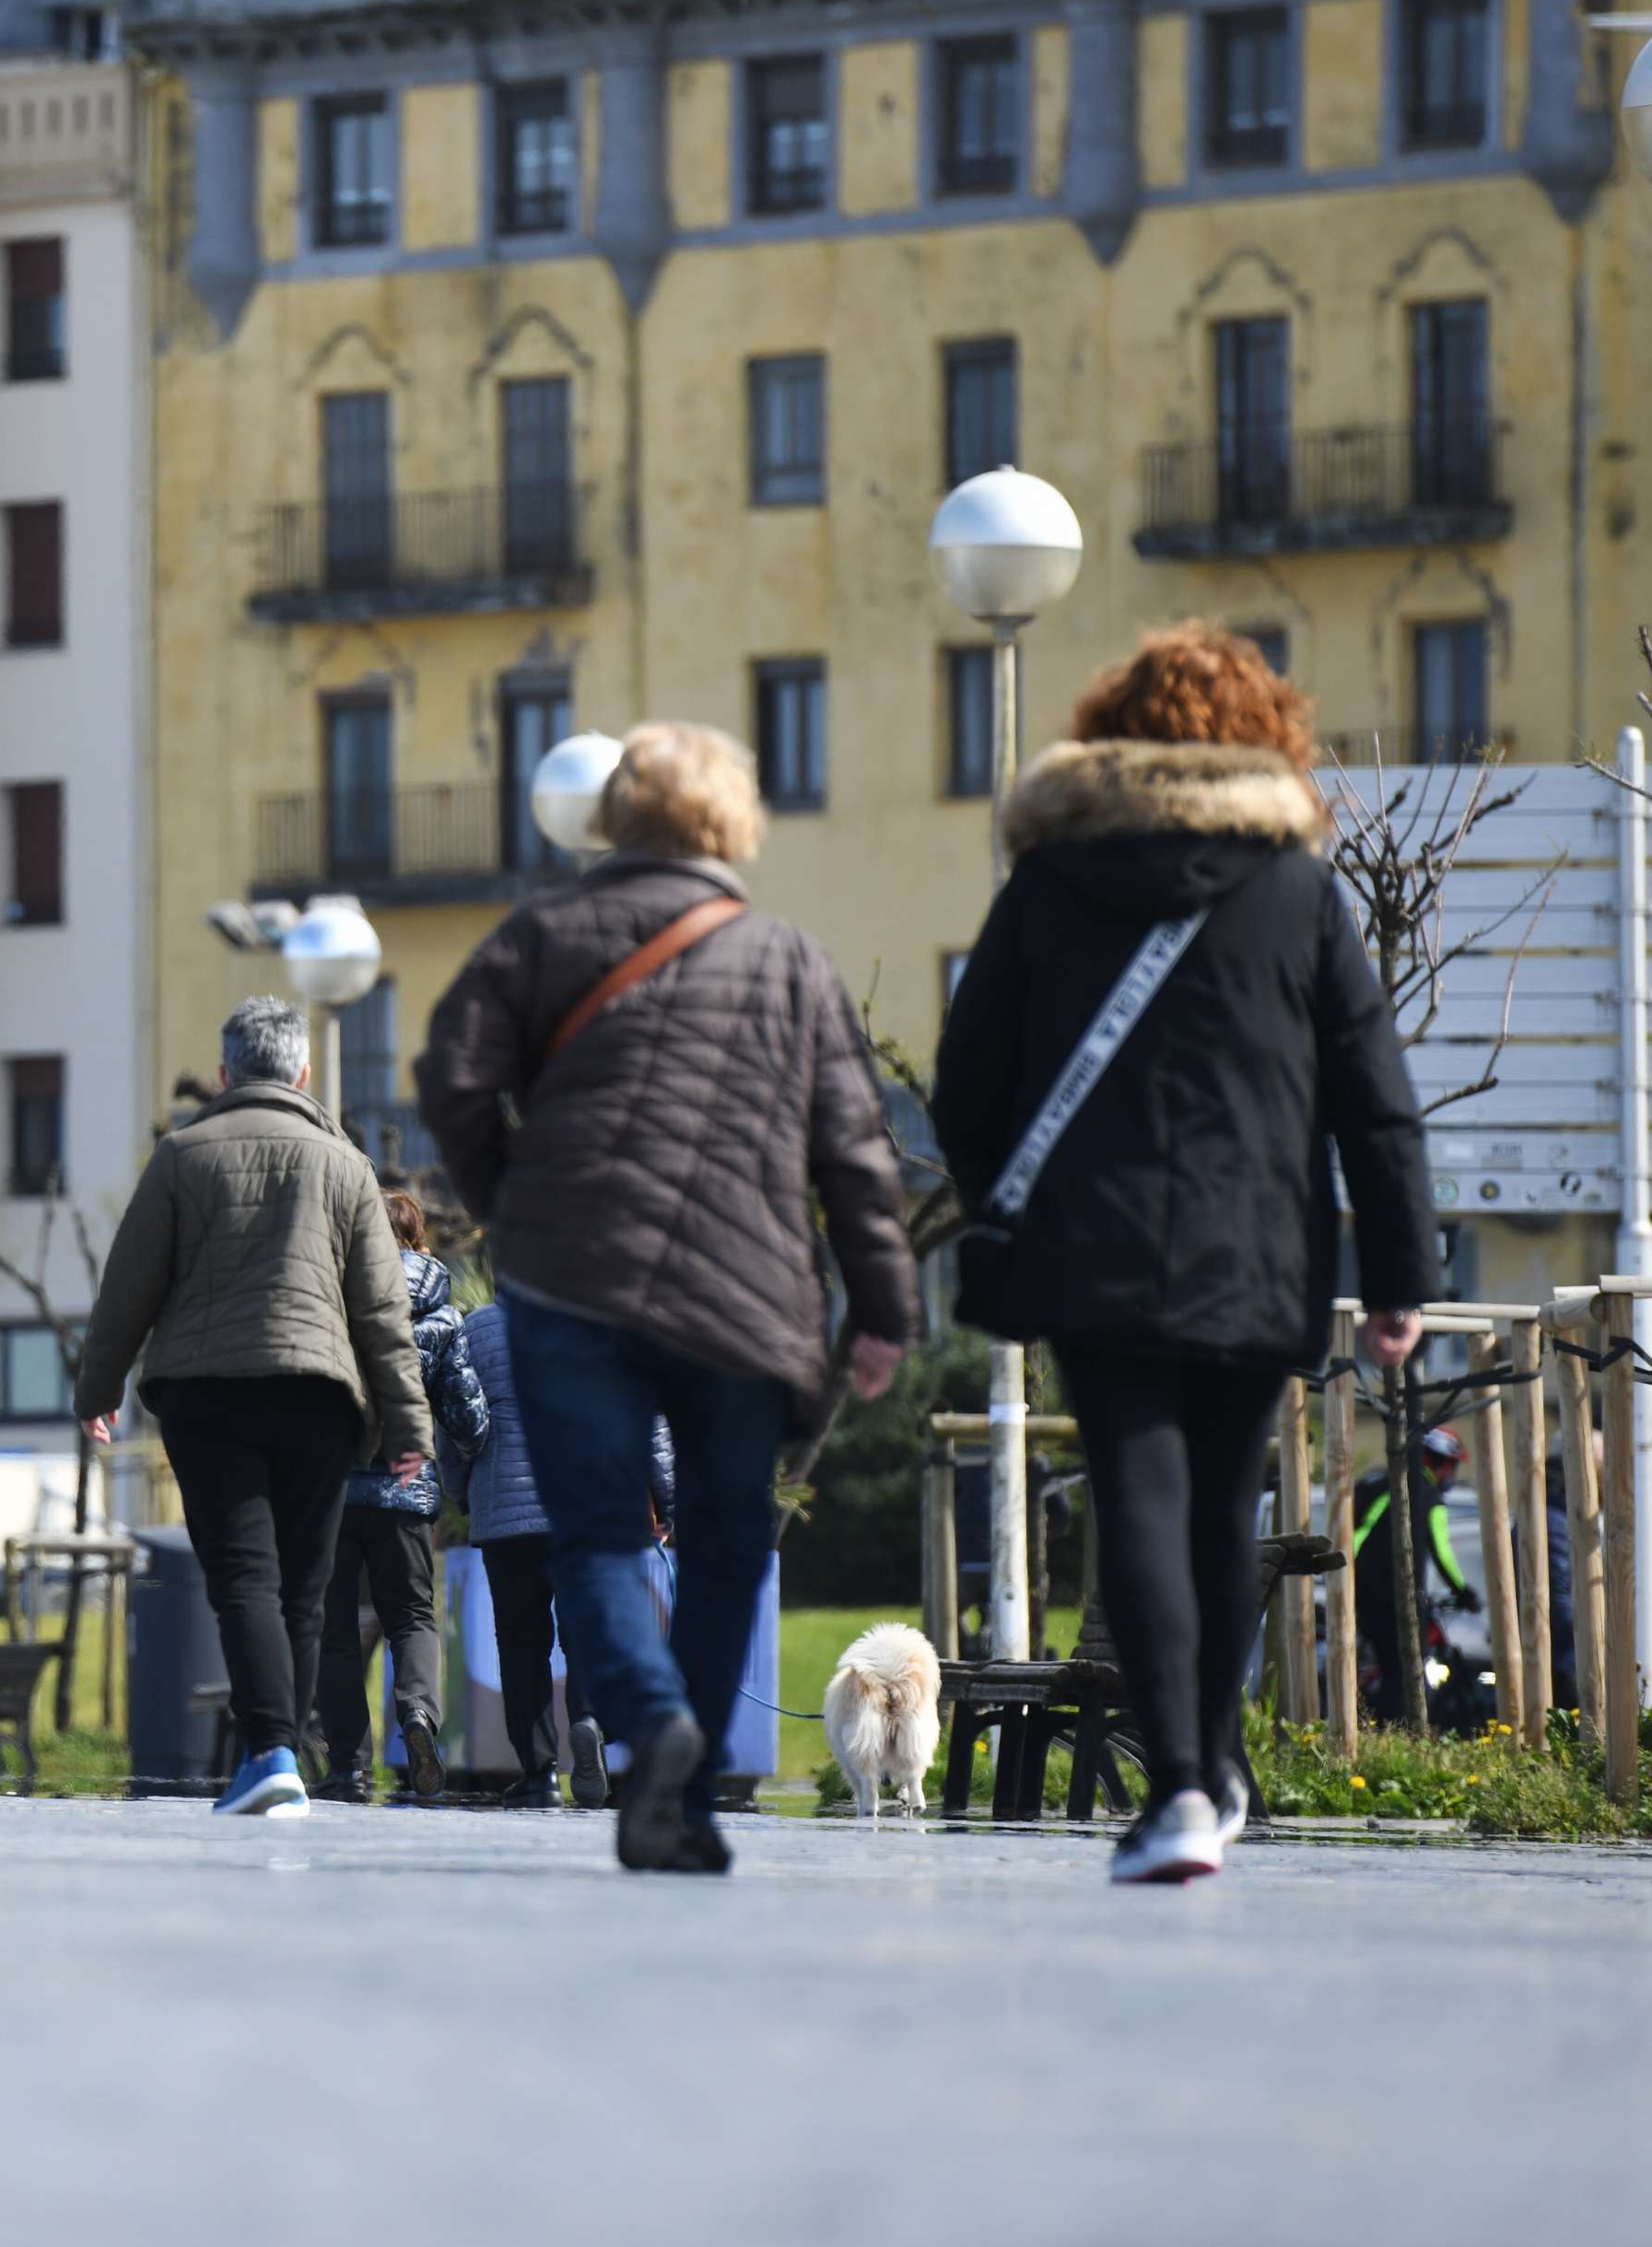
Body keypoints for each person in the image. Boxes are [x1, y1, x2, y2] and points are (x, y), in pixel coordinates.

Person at [935, 626, 1434, 1881]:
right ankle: (1211, 1773)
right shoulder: (1300, 894)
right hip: (1260, 1256)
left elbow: (966, 1080)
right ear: (1264, 735)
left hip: (1097, 1254)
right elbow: (1376, 1095)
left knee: (1140, 1509)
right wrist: (1400, 1283)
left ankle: (1181, 1790)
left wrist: (1011, 1194)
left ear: (1114, 732)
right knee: (1223, 1514)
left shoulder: (1048, 884)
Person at [416, 720, 916, 1873]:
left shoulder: (538, 937)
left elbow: (451, 1077)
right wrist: (881, 1306)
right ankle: (673, 1775)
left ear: (614, 818)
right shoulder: (786, 957)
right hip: (744, 1296)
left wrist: (513, 1208)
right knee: (723, 1534)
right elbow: (855, 1145)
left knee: (593, 1533)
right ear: (734, 823)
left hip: (572, 1287)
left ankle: (656, 1729)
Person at [75, 995, 434, 1820]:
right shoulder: (345, 1165)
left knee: (242, 1577)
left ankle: (271, 1752)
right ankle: (284, 1758)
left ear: (228, 1071)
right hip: (320, 1398)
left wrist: (96, 1392)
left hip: (209, 1396)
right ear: (304, 1073)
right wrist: (409, 1426)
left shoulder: (181, 1155)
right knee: (303, 1591)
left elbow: (128, 1288)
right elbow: (382, 1312)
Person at [310, 1190, 489, 1806]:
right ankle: (417, 1717)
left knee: (334, 1630)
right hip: (407, 1494)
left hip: (334, 1494)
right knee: (412, 1618)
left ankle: (349, 1768)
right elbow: (469, 1418)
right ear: (418, 1241)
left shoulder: (334, 1305)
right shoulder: (443, 1318)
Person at [457, 1302, 673, 1808]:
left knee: (521, 1642)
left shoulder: (479, 1329)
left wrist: (463, 1489)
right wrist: (668, 1499)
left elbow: (457, 1419)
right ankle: (591, 1720)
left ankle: (538, 1775)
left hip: (507, 1512)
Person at [1352, 1426, 1479, 1723]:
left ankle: (1388, 1726)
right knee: (1403, 1673)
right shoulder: (1429, 1498)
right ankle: (1397, 1730)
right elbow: (1442, 1552)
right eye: (1452, 1465)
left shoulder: (1387, 1485)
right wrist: (1463, 1592)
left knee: (1391, 1667)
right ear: (1441, 1463)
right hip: (1396, 1601)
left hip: (1367, 1597)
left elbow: (1359, 1537)